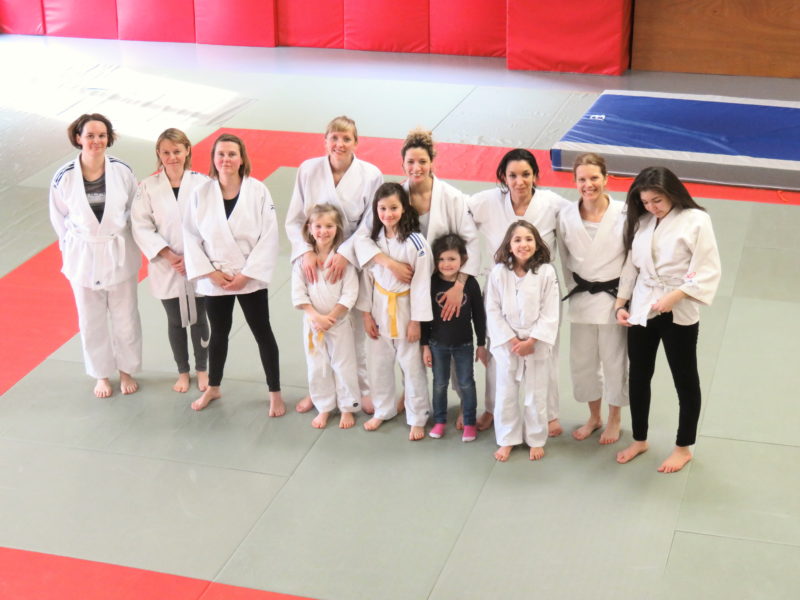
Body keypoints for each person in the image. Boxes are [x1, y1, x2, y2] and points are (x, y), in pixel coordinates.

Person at [614, 167, 721, 473]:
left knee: (684, 378)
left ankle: (683, 447)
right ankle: (639, 439)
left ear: (672, 192)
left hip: (678, 308)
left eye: (657, 200)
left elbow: (707, 268)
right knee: (638, 375)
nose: (651, 207)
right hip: (643, 306)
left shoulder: (696, 220)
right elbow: (631, 265)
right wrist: (621, 302)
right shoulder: (643, 221)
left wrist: (675, 296)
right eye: (645, 201)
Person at [285, 116, 383, 415]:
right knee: (316, 333)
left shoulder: (371, 175)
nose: (339, 144)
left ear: (356, 142)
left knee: (354, 332)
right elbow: (295, 219)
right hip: (315, 259)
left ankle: (361, 391)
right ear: (325, 140)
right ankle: (319, 394)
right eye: (334, 138)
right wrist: (306, 251)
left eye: (346, 139)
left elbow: (371, 223)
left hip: (352, 258)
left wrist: (345, 253)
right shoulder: (308, 169)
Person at [183, 133, 285, 417]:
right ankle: (213, 387)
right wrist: (210, 272)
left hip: (249, 275)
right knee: (219, 334)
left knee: (263, 333)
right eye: (221, 154)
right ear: (213, 159)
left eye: (232, 154)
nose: (226, 159)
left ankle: (275, 393)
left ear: (242, 159)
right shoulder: (201, 193)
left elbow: (269, 235)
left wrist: (247, 274)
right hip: (216, 277)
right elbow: (190, 235)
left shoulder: (258, 191)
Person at [468, 149, 569, 434]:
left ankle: (549, 414)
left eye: (526, 174)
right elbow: (457, 211)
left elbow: (579, 216)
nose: (519, 181)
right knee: (498, 353)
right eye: (512, 175)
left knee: (546, 354)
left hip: (541, 286)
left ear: (535, 175)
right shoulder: (487, 201)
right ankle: (492, 408)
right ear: (503, 176)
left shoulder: (552, 203)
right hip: (499, 286)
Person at [49, 113, 142, 398]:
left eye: (102, 135)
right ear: (78, 138)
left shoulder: (122, 171)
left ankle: (126, 369)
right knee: (91, 320)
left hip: (119, 252)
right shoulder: (64, 176)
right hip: (83, 256)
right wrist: (71, 247)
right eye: (90, 135)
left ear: (109, 138)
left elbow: (136, 211)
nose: (96, 141)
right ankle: (101, 374)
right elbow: (59, 218)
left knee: (126, 317)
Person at [132, 128, 209, 393]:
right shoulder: (148, 187)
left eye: (177, 151)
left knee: (199, 318)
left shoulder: (203, 184)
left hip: (198, 262)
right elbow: (141, 225)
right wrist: (168, 254)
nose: (172, 157)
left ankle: (202, 369)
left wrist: (193, 256)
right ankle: (183, 371)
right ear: (159, 153)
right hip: (166, 264)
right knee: (175, 320)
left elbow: (212, 224)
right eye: (166, 152)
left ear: (187, 150)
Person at [557, 153, 628, 444]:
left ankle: (614, 418)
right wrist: (572, 288)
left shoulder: (625, 213)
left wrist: (625, 297)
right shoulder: (566, 216)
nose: (589, 184)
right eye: (582, 179)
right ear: (574, 181)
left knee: (614, 361)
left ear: (606, 179)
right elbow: (564, 259)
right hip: (582, 296)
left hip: (614, 299)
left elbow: (632, 259)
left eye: (594, 178)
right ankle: (594, 416)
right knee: (583, 362)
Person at [356, 182, 433, 441]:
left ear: (404, 208)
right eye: (382, 208)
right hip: (379, 308)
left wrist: (416, 322)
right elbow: (366, 279)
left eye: (393, 208)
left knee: (412, 368)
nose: (387, 214)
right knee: (378, 364)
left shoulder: (416, 243)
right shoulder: (374, 241)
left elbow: (422, 284)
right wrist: (366, 314)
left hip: (406, 309)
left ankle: (417, 417)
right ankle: (383, 409)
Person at [485, 221, 559, 462]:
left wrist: (532, 340)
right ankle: (507, 438)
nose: (523, 244)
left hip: (536, 342)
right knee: (505, 392)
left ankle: (536, 438)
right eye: (517, 240)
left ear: (537, 244)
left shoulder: (546, 272)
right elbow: (492, 309)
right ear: (509, 245)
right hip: (507, 342)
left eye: (528, 239)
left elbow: (550, 311)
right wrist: (511, 339)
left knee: (536, 392)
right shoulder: (498, 273)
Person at [291, 204, 361, 429]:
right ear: (309, 229)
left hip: (338, 322)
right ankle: (324, 406)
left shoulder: (343, 260)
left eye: (329, 226)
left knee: (344, 365)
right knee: (317, 365)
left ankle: (347, 407)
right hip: (313, 323)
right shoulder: (302, 261)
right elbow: (298, 293)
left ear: (337, 228)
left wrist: (331, 317)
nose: (323, 231)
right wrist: (315, 317)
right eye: (318, 226)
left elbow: (350, 293)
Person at [421, 234, 488, 442]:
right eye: (441, 259)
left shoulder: (470, 284)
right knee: (439, 383)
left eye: (452, 259)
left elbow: (479, 315)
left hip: (464, 345)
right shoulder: (432, 283)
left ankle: (469, 422)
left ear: (463, 259)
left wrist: (481, 344)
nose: (446, 264)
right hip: (437, 345)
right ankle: (439, 421)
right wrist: (425, 345)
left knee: (467, 383)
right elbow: (424, 318)